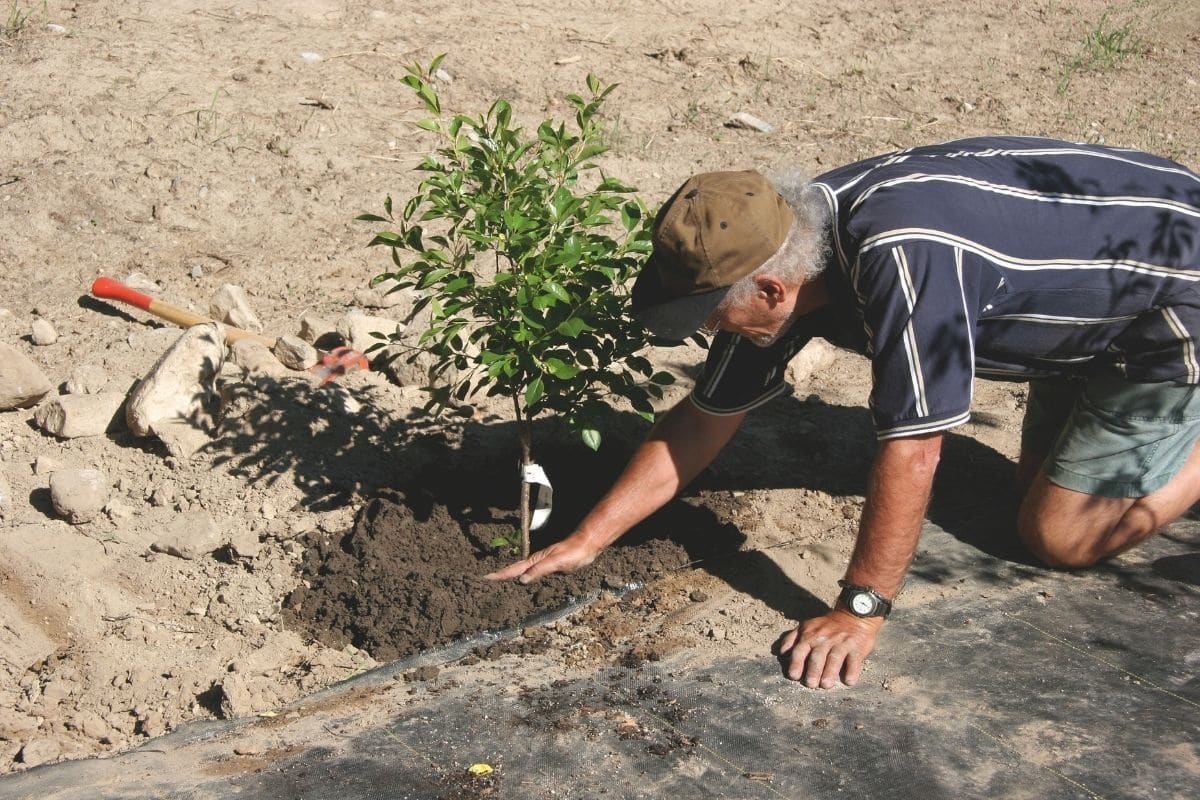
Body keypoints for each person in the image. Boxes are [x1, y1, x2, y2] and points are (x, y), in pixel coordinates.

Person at [486, 135, 1200, 690]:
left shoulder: (901, 258)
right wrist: (589, 538)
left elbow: (914, 449)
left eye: (711, 317)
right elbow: (703, 419)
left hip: (1169, 311)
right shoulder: (792, 238)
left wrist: (860, 610)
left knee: (1058, 537)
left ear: (769, 289)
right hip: (1080, 305)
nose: (709, 331)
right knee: (1030, 492)